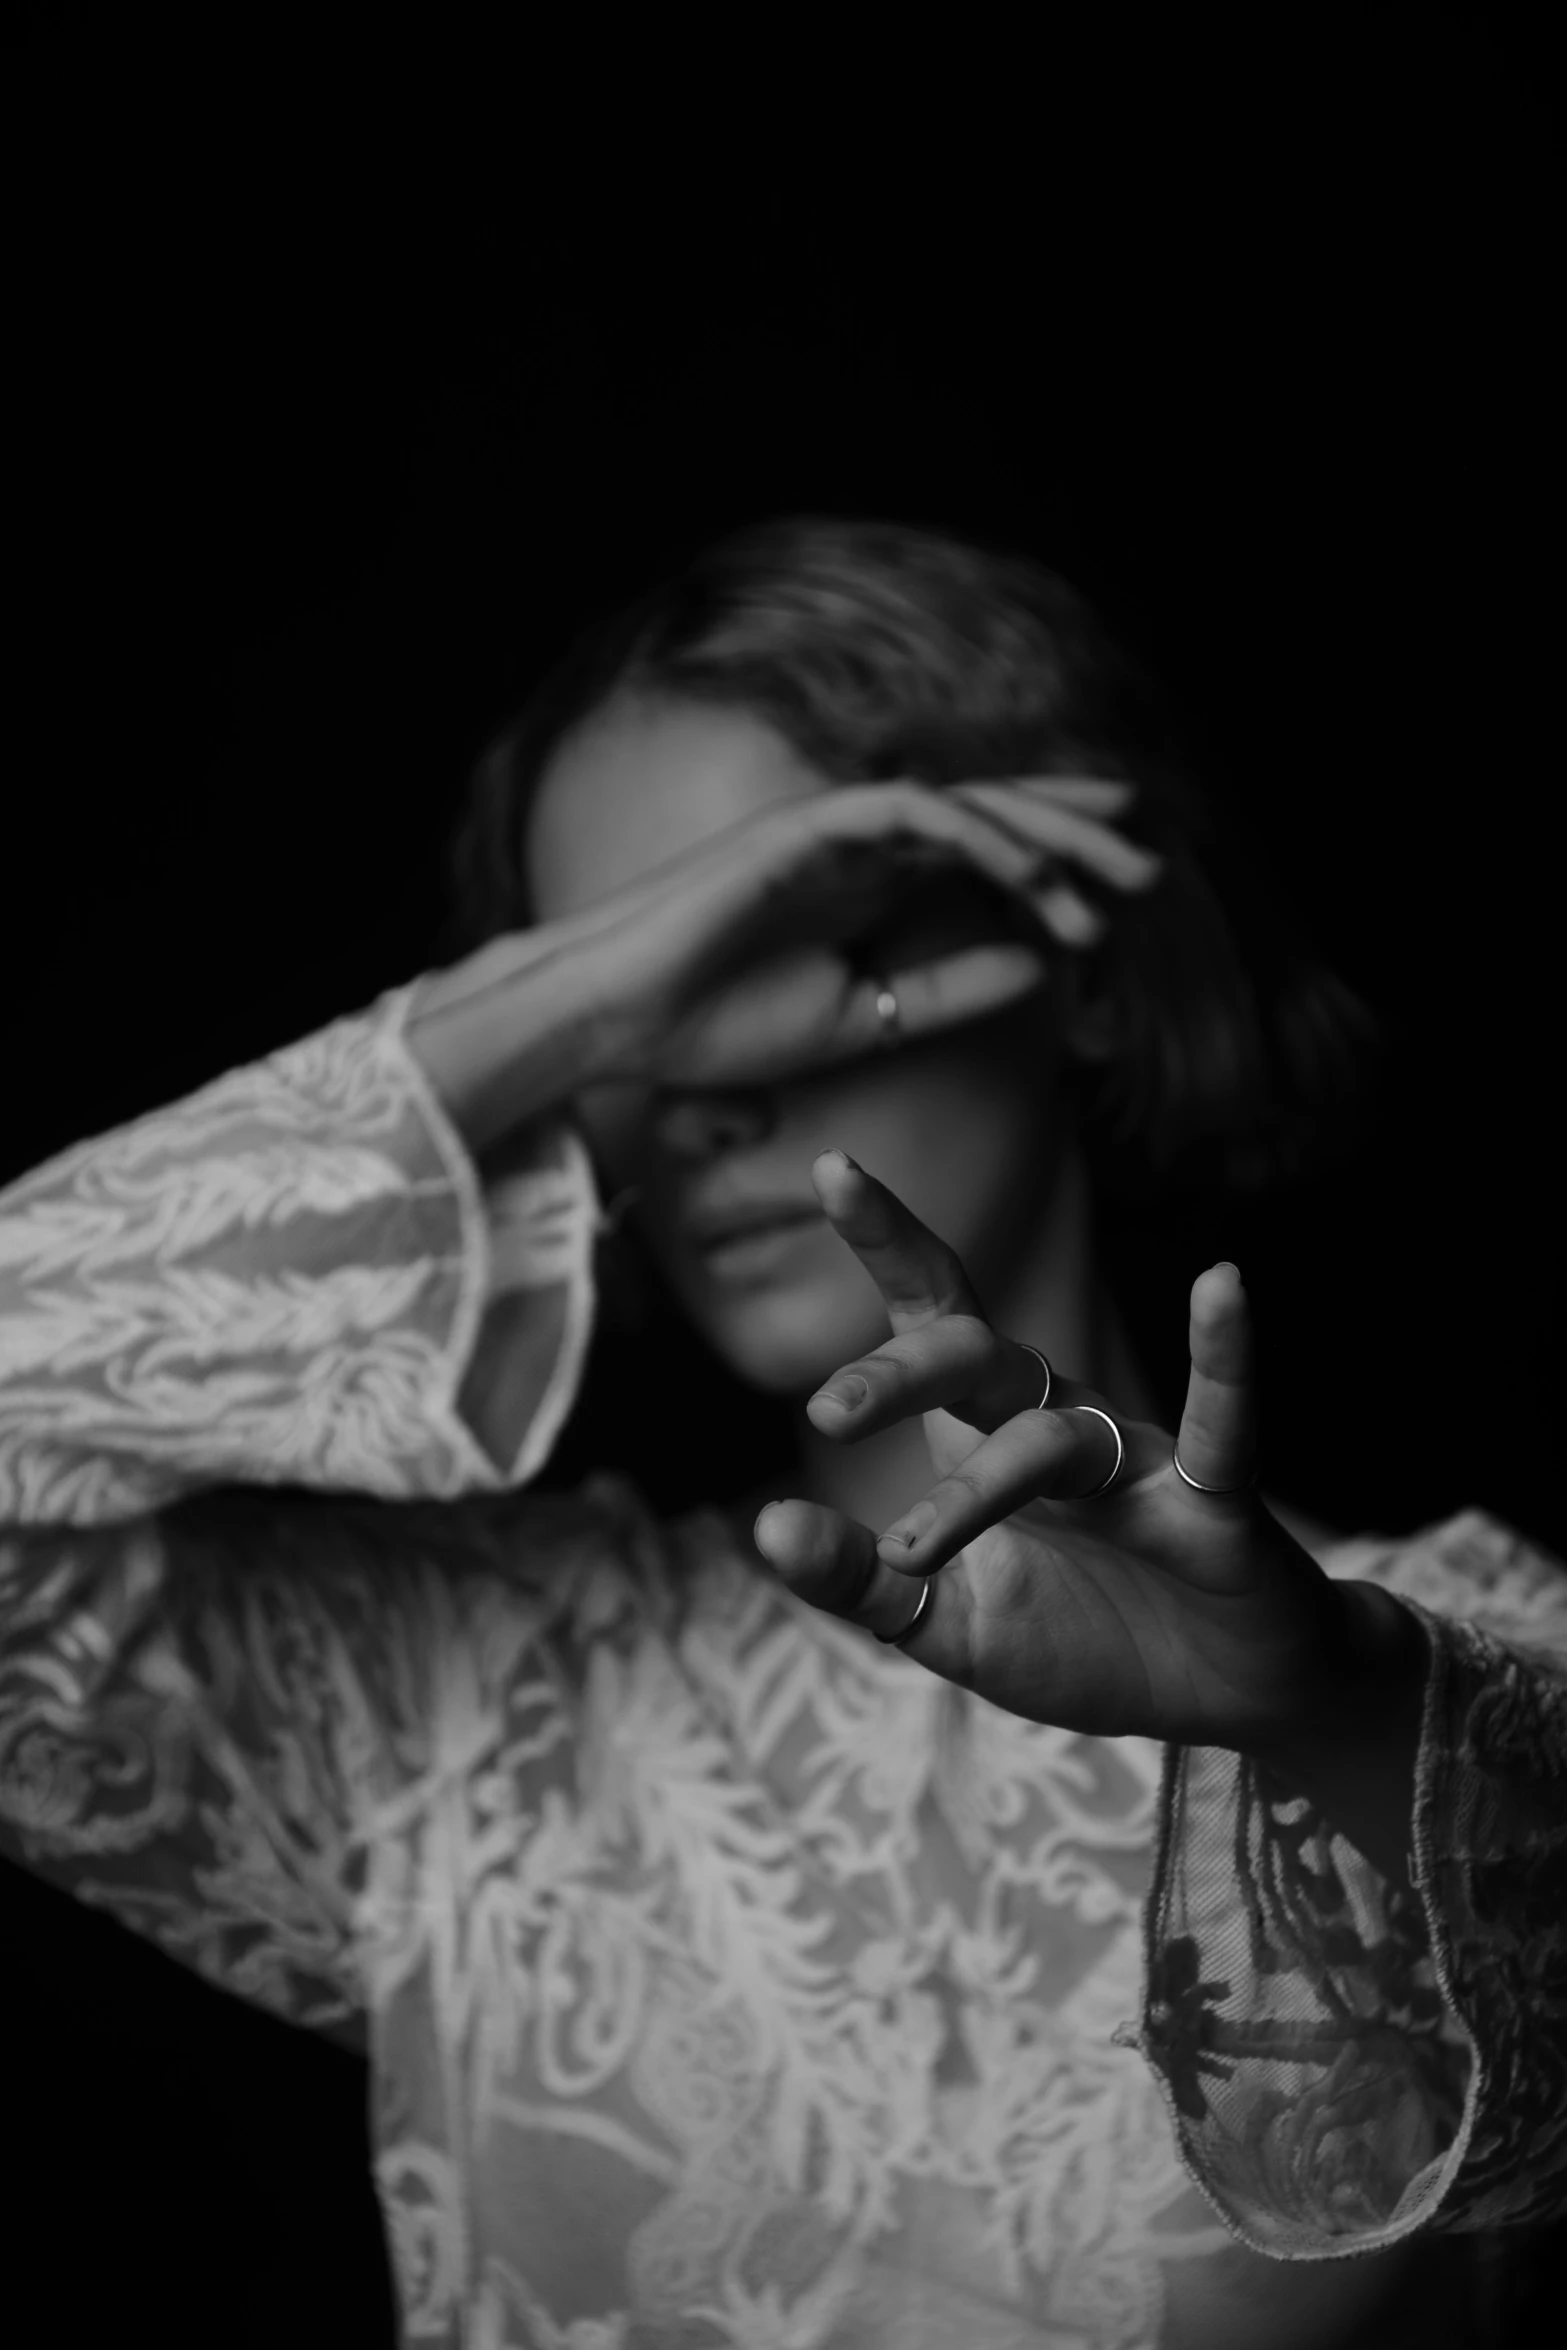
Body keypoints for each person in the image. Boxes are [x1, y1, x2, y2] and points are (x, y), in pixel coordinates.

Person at [1, 516, 1561, 2350]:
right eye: (652, 991)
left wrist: (1332, 1731)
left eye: (792, 933)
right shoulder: (444, 1696)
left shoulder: (1470, 1670)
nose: (706, 1090)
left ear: (1071, 956)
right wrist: (567, 1011)